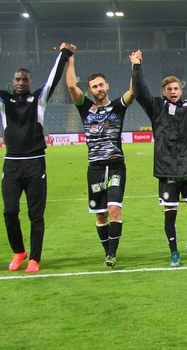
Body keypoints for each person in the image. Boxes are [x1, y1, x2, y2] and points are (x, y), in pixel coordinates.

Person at [131, 50, 187, 267]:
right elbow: (141, 91)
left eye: (176, 88)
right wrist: (136, 67)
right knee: (170, 212)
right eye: (169, 89)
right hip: (167, 169)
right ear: (163, 92)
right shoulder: (156, 108)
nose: (173, 92)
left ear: (181, 90)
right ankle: (174, 252)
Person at [1, 43, 73, 273]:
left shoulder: (38, 100)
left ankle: (34, 257)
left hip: (34, 162)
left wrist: (63, 54)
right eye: (17, 79)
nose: (21, 82)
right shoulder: (4, 102)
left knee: (35, 214)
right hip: (11, 164)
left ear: (30, 83)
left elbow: (53, 78)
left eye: (25, 79)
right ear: (12, 82)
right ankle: (18, 251)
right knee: (10, 211)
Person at [65, 51, 136, 268]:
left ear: (108, 86)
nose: (99, 89)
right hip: (95, 168)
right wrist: (70, 60)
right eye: (94, 86)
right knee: (101, 215)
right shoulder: (85, 108)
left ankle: (112, 255)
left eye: (101, 85)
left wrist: (135, 65)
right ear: (90, 90)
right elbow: (70, 87)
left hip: (115, 166)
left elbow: (134, 91)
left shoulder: (117, 106)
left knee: (114, 209)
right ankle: (108, 251)